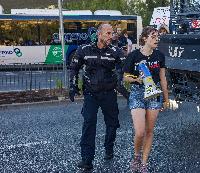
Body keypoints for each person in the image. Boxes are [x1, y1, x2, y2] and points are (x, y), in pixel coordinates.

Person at [69, 23, 125, 171]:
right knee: (89, 123)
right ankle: (87, 160)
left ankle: (109, 148)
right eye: (108, 33)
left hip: (109, 93)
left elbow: (123, 69)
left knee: (112, 124)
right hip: (91, 94)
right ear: (99, 34)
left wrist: (121, 81)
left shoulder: (116, 51)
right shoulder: (84, 49)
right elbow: (74, 67)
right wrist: (72, 85)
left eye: (112, 33)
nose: (111, 36)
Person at [123, 26, 170, 173]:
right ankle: (136, 156)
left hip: (154, 93)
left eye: (157, 37)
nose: (157, 39)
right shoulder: (134, 56)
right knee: (140, 132)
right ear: (144, 38)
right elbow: (125, 77)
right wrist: (137, 79)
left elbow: (163, 79)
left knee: (150, 131)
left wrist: (166, 99)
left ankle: (144, 163)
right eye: (153, 36)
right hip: (137, 92)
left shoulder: (160, 56)